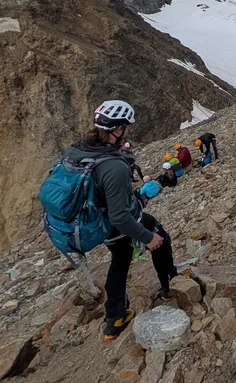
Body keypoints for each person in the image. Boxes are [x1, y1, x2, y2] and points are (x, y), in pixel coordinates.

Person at [61, 100, 174, 342]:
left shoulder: (78, 150)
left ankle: (114, 318)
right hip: (116, 223)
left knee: (120, 259)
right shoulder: (114, 166)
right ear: (118, 129)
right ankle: (169, 287)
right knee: (159, 237)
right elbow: (121, 216)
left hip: (97, 223)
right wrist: (147, 237)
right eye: (124, 127)